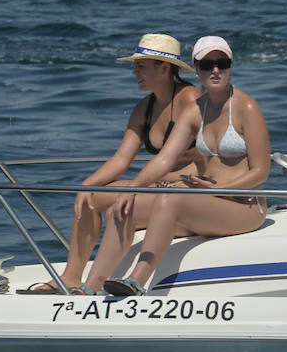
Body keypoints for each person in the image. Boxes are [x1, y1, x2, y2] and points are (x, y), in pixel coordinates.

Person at [89, 35, 271, 296]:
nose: (216, 70)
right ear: (196, 69)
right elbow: (164, 159)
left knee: (170, 199)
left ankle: (137, 280)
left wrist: (214, 191)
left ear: (231, 65)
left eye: (222, 63)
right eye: (207, 65)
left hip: (245, 205)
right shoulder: (195, 111)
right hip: (206, 201)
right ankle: (92, 285)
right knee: (121, 209)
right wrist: (133, 189)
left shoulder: (247, 107)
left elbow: (261, 172)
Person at [20, 33, 201, 294]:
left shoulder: (191, 100)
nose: (134, 71)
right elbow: (121, 159)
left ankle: (92, 285)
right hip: (156, 185)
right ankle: (71, 275)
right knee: (91, 197)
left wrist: (150, 184)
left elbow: (210, 160)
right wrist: (86, 185)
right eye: (134, 65)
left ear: (164, 68)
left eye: (141, 65)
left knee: (121, 204)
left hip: (186, 190)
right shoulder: (144, 108)